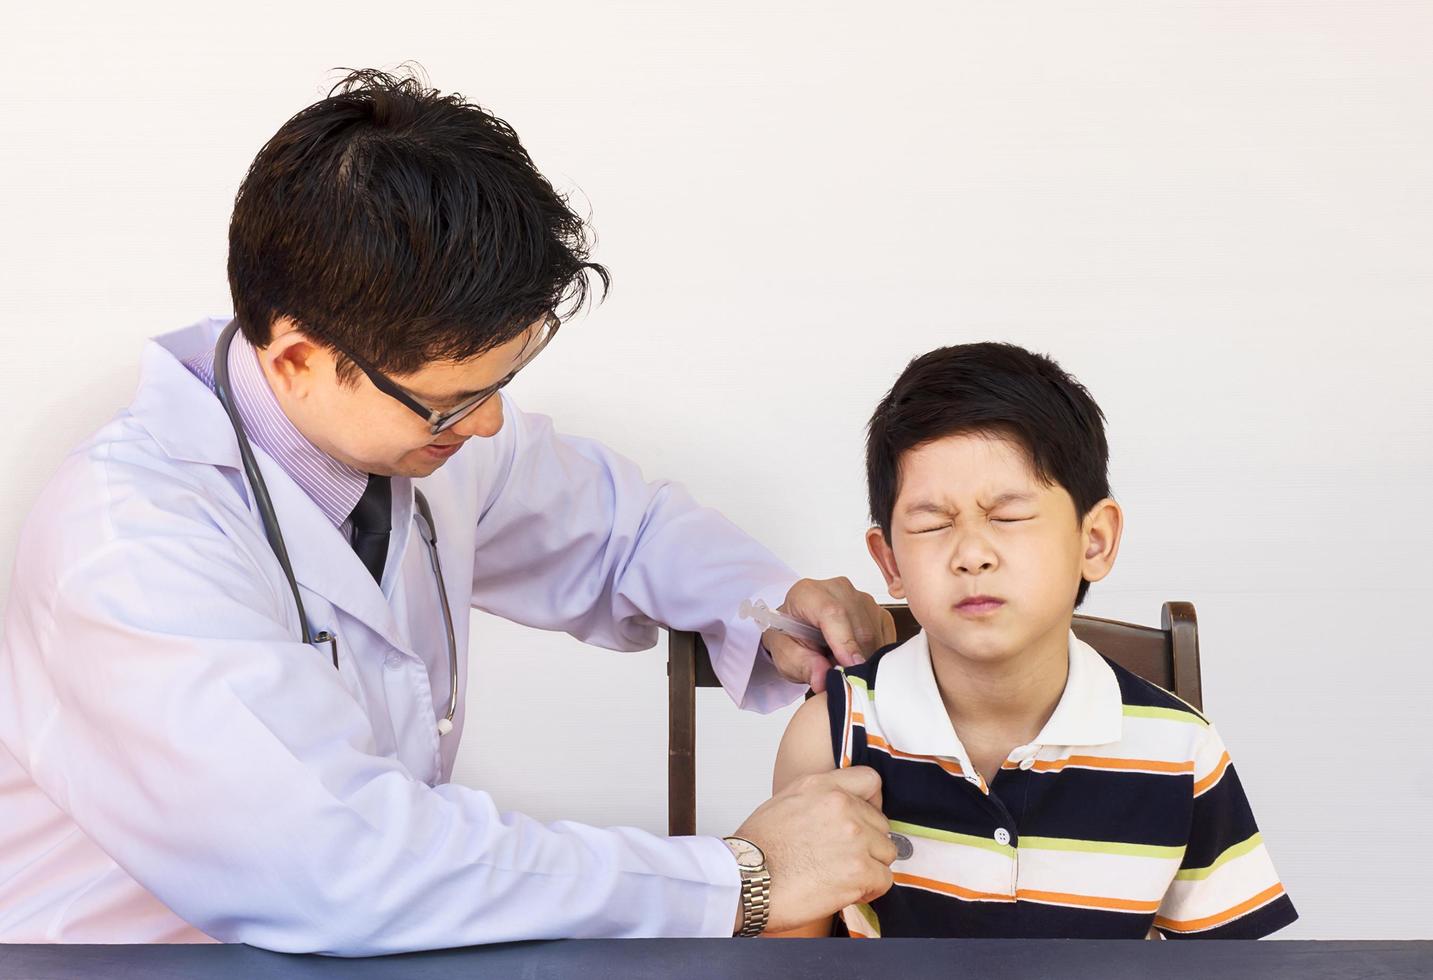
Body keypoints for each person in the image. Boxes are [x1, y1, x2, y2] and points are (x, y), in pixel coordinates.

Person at [0, 69, 900, 953]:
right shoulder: (127, 549)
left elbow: (621, 530)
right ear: (298, 361)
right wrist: (737, 878)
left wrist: (767, 603)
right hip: (115, 956)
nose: (491, 421)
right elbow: (337, 863)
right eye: (452, 400)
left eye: (503, 379)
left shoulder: (412, 432)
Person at [771, 342, 1297, 939]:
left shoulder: (1181, 752)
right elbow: (791, 959)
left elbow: (1226, 969)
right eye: (932, 524)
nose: (971, 554)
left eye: (1009, 516)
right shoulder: (831, 736)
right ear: (889, 560)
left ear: (1093, 540)